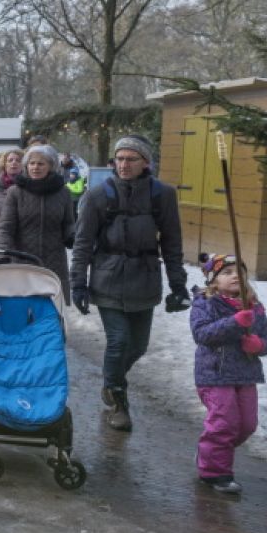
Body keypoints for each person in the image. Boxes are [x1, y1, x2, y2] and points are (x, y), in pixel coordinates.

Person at [70, 135, 188, 432]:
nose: (123, 164)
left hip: (144, 278)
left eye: (130, 159)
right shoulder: (99, 195)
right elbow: (83, 243)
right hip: (108, 277)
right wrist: (78, 284)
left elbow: (172, 242)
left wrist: (178, 286)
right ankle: (119, 403)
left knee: (138, 346)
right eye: (119, 159)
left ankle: (112, 382)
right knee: (119, 340)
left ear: (145, 162)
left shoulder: (163, 195)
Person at [190, 254, 267, 494]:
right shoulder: (206, 303)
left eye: (240, 271)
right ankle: (214, 473)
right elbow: (202, 334)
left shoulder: (254, 306)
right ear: (214, 281)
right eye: (227, 272)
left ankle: (210, 452)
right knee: (224, 423)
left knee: (246, 425)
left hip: (245, 375)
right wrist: (235, 323)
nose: (235, 275)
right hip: (215, 374)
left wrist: (260, 345)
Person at [0, 144, 76, 300]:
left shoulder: (63, 193)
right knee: (23, 311)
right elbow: (6, 226)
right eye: (32, 163)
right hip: (22, 261)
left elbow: (68, 222)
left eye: (41, 163)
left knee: (52, 313)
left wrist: (73, 237)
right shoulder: (16, 192)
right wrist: (3, 252)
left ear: (51, 166)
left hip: (54, 262)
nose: (35, 167)